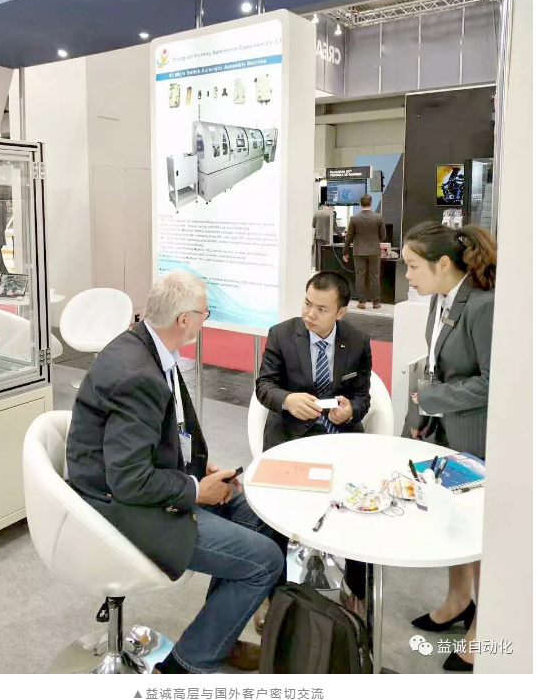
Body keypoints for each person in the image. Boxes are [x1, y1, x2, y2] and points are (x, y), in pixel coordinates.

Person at [66, 271, 283, 674]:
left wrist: (197, 470)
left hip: (141, 486)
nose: (206, 319)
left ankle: (218, 634)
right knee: (266, 561)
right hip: (121, 508)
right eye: (204, 313)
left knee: (256, 512)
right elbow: (129, 480)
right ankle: (187, 665)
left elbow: (159, 435)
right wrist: (195, 489)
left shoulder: (147, 348)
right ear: (184, 319)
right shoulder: (138, 374)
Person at [401, 221, 496, 673]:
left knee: (481, 533)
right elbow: (436, 365)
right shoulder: (441, 298)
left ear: (442, 263)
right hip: (445, 433)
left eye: (412, 266)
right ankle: (459, 600)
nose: (407, 276)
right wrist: (423, 414)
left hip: (476, 436)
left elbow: (494, 382)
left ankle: (484, 629)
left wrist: (433, 400)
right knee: (453, 522)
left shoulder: (484, 306)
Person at [256, 270, 372, 617]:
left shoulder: (357, 340)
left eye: (321, 309)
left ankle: (357, 588)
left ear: (341, 312)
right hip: (291, 436)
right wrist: (287, 400)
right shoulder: (281, 334)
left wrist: (350, 411)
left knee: (361, 504)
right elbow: (264, 386)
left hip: (339, 437)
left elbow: (362, 396)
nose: (310, 314)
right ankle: (270, 591)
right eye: (307, 303)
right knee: (272, 513)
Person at [343, 194, 386, 309]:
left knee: (360, 277)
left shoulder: (354, 219)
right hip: (374, 252)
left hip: (359, 252)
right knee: (375, 276)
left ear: (360, 203)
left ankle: (361, 302)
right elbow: (383, 235)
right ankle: (376, 303)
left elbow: (348, 237)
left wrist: (345, 252)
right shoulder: (378, 217)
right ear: (371, 203)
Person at [312, 204, 334, 271]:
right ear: (330, 206)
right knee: (328, 253)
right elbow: (334, 226)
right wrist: (340, 234)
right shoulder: (331, 213)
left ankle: (319, 269)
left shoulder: (317, 213)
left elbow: (313, 225)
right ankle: (326, 269)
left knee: (319, 253)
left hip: (319, 236)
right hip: (328, 236)